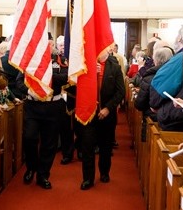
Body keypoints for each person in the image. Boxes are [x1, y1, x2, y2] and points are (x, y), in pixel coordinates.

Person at [16, 33, 68, 189]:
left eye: (49, 44)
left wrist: (46, 77)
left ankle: (43, 174)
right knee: (29, 138)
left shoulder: (61, 60)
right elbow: (20, 81)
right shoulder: (30, 62)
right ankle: (31, 166)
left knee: (49, 143)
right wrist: (31, 89)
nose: (47, 47)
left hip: (53, 106)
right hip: (33, 106)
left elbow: (66, 77)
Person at [76, 48, 125, 190]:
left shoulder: (115, 68)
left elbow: (120, 91)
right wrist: (91, 74)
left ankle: (104, 172)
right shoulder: (84, 66)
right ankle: (87, 178)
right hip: (89, 114)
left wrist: (108, 108)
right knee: (87, 146)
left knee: (105, 146)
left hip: (106, 115)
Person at [149, 24, 183, 132]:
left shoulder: (182, 57)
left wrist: (154, 104)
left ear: (179, 38)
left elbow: (160, 86)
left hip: (178, 118)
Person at [54, 35, 75, 165]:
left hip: (72, 97)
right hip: (56, 98)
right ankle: (62, 149)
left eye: (65, 45)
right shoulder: (53, 60)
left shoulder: (73, 60)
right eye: (61, 45)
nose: (63, 48)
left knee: (71, 128)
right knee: (60, 127)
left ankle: (72, 152)